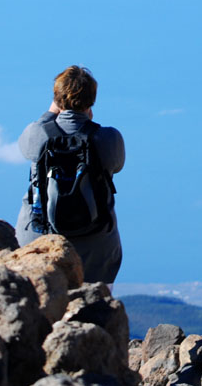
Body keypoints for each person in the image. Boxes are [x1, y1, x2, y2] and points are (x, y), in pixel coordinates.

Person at [16, 66, 125, 284]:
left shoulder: (37, 133)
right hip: (96, 242)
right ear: (92, 100)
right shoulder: (108, 138)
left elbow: (25, 145)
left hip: (39, 240)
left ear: (57, 98)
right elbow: (117, 166)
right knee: (94, 306)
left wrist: (51, 111)